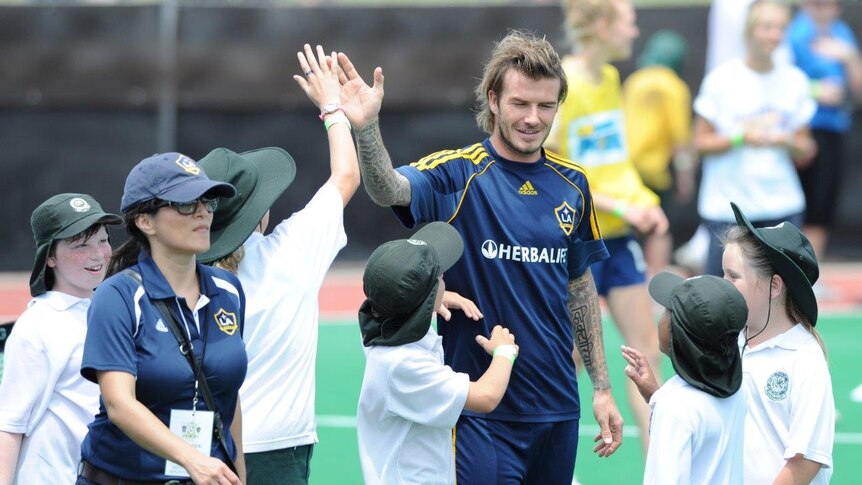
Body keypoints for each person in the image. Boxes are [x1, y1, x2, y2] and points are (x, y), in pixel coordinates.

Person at [336, 29, 623, 483]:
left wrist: (603, 389)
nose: (533, 118)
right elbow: (387, 188)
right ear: (493, 100)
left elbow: (580, 285)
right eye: (520, 104)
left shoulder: (574, 183)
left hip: (558, 408)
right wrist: (367, 129)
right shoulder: (457, 173)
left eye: (545, 106)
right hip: (479, 413)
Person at [195, 44, 360, 485]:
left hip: (196, 449)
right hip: (277, 449)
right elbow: (346, 175)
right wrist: (332, 107)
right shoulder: (290, 253)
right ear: (259, 212)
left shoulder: (181, 271)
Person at [77, 153, 247, 485]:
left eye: (207, 201)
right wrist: (193, 459)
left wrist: (239, 475)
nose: (202, 212)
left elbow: (230, 397)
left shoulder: (229, 290)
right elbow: (119, 403)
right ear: (145, 221)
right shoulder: (118, 296)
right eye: (186, 203)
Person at [547, 0, 667, 454]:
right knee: (567, 360)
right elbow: (556, 171)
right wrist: (620, 203)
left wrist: (644, 203)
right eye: (628, 21)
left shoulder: (612, 79)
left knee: (646, 355)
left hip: (617, 239)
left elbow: (613, 163)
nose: (634, 32)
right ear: (602, 25)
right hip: (575, 241)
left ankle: (663, 469)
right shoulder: (566, 82)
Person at [356, 221, 518, 484]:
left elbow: (384, 299)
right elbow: (485, 396)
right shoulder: (404, 364)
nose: (445, 279)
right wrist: (504, 352)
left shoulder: (382, 331)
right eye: (441, 278)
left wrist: (431, 301)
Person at [0, 194, 121, 485]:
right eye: (81, 245)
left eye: (103, 240)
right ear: (49, 257)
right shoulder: (38, 325)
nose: (97, 254)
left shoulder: (108, 311)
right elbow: (8, 426)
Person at [694, 0, 817, 277]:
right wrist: (741, 137)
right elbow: (699, 144)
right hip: (728, 208)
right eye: (767, 27)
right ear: (749, 30)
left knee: (784, 299)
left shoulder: (795, 81)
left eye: (780, 28)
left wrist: (786, 141)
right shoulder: (721, 80)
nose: (774, 35)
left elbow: (806, 150)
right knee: (724, 300)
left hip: (781, 205)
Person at [722, 202, 834, 484]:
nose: (723, 284)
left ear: (774, 286)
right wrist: (655, 394)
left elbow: (806, 461)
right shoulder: (728, 341)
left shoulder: (804, 358)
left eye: (733, 276)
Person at [622, 272, 748, 484]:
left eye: (666, 312)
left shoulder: (674, 409)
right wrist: (657, 396)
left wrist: (664, 404)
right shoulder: (736, 389)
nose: (659, 318)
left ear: (679, 332)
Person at [787, 0, 862, 262]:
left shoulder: (841, 33)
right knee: (798, 203)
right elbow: (778, 79)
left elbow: (858, 88)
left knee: (823, 203)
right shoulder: (792, 33)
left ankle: (811, 273)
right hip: (802, 128)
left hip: (833, 129)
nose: (822, 7)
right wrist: (816, 90)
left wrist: (849, 56)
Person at [622, 29, 697, 276]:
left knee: (628, 224)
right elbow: (680, 138)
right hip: (656, 168)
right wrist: (685, 177)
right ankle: (655, 275)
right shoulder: (675, 87)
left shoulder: (635, 80)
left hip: (627, 165)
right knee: (659, 225)